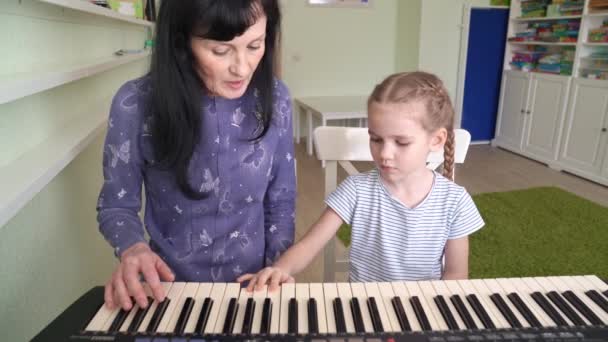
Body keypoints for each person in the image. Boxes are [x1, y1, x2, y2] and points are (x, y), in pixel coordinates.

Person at [97, 0, 296, 311]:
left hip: (253, 290)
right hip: (170, 294)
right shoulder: (135, 103)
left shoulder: (276, 98)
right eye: (220, 50)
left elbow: (281, 202)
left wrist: (276, 271)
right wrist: (133, 248)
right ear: (181, 41)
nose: (242, 67)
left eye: (255, 45)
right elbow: (116, 205)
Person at [239, 71, 484, 291]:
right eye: (376, 139)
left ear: (437, 140)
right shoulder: (356, 190)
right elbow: (309, 245)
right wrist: (281, 268)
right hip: (364, 308)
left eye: (401, 142)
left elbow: (456, 275)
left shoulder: (455, 201)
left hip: (421, 310)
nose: (384, 154)